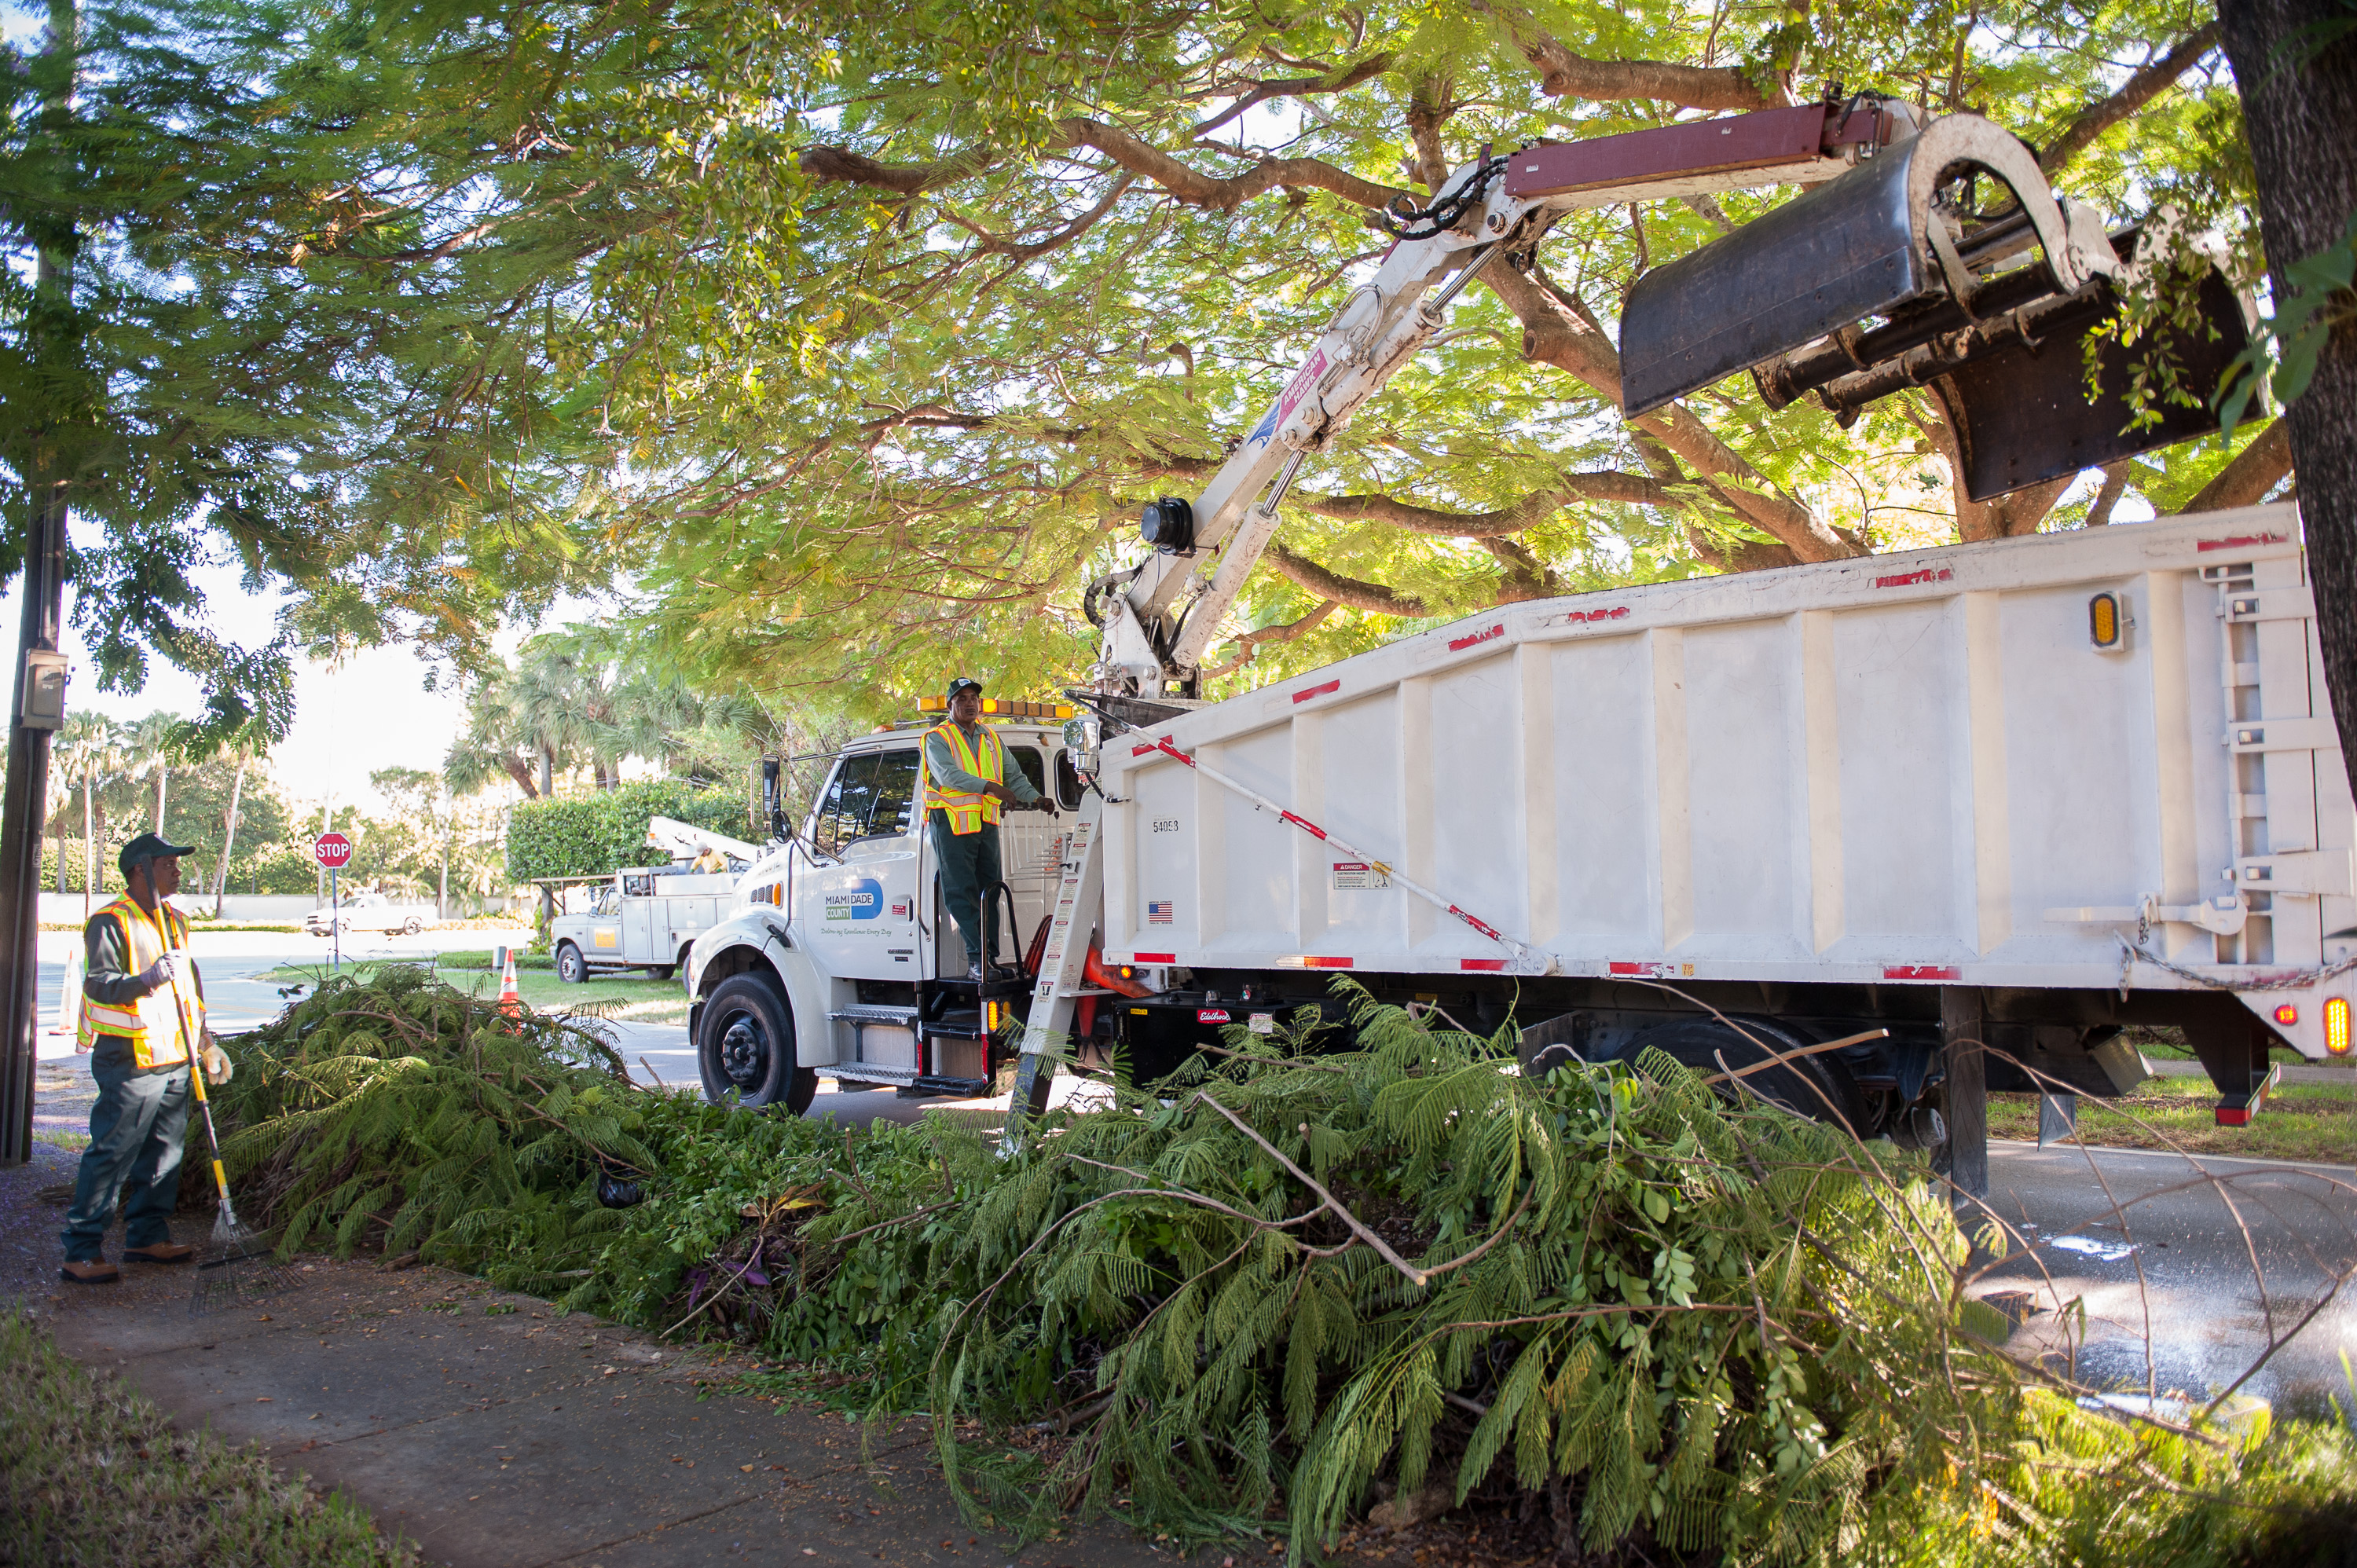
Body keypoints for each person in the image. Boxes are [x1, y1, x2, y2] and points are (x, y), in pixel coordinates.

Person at [58, 833, 225, 1284]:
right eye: (168, 862)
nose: (177, 870)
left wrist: (206, 1041)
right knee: (113, 1151)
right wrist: (147, 979)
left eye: (176, 863)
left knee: (164, 1152)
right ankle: (81, 1249)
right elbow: (100, 985)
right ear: (140, 870)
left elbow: (189, 984)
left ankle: (147, 1237)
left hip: (175, 1056)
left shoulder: (176, 919)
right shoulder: (110, 921)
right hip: (129, 1058)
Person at [923, 676, 1056, 978]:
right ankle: (977, 960)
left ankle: (990, 959)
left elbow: (1014, 776)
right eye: (963, 699)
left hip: (986, 824)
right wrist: (992, 789)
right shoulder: (938, 737)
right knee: (962, 892)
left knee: (991, 891)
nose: (970, 703)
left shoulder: (991, 738)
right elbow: (947, 776)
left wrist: (1036, 799)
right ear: (950, 705)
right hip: (952, 823)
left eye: (974, 698)